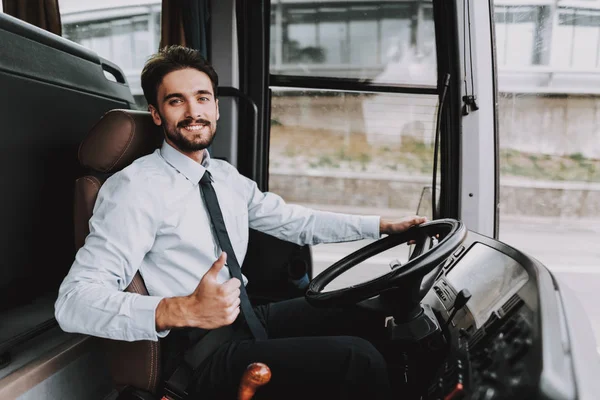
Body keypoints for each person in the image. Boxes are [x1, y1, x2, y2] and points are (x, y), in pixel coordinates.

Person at [54, 45, 427, 400]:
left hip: (244, 317)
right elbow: (74, 302)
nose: (192, 111)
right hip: (198, 354)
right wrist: (180, 308)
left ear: (216, 107)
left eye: (201, 98)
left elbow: (295, 221)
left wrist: (381, 226)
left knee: (366, 312)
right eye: (175, 100)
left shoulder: (222, 175)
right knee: (357, 359)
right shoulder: (134, 189)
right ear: (156, 114)